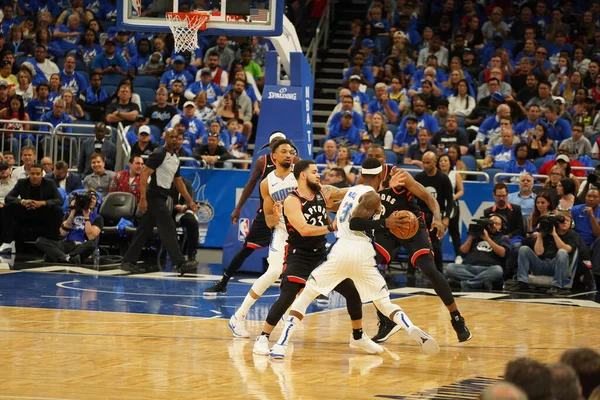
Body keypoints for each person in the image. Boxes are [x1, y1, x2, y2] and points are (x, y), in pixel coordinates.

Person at [269, 158, 440, 360]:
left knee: (307, 295)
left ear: (361, 175)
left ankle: (281, 343)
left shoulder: (352, 192)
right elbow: (355, 222)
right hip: (362, 253)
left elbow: (350, 207)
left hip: (340, 251)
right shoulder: (372, 196)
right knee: (384, 302)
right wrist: (387, 222)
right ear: (379, 177)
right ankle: (411, 327)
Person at [252, 160, 365, 355]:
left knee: (352, 292)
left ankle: (358, 337)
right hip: (299, 255)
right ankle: (263, 337)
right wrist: (331, 227)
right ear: (302, 175)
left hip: (321, 254)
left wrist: (368, 188)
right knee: (287, 297)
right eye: (314, 172)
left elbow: (346, 192)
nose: (318, 175)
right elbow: (303, 230)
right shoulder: (292, 200)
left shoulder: (323, 191)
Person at [204, 133, 289, 294]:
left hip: (288, 216)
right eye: (275, 144)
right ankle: (223, 282)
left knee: (303, 249)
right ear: (271, 147)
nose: (280, 148)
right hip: (267, 214)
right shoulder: (262, 162)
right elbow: (250, 185)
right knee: (247, 248)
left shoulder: (294, 164)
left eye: (282, 145)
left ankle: (315, 288)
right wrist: (238, 208)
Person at [120, 129, 198, 274]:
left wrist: (190, 201)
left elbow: (179, 182)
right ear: (165, 138)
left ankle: (128, 261)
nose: (174, 139)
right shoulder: (159, 153)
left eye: (177, 137)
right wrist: (143, 198)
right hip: (154, 195)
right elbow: (144, 173)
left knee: (144, 230)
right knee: (168, 227)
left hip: (162, 196)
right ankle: (180, 263)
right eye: (171, 137)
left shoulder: (175, 157)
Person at [509, 211, 579, 295]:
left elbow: (566, 249)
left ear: (571, 223)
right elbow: (539, 252)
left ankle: (557, 286)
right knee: (524, 249)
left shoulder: (572, 235)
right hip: (541, 264)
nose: (564, 222)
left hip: (557, 266)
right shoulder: (547, 232)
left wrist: (554, 234)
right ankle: (522, 283)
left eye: (567, 220)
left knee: (562, 252)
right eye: (562, 220)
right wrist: (540, 234)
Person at [35, 189, 102, 265]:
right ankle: (68, 258)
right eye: (88, 198)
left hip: (81, 246)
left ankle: (60, 256)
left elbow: (91, 236)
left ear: (96, 202)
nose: (91, 200)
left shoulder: (98, 218)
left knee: (91, 245)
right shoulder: (69, 214)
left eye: (93, 198)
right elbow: (63, 233)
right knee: (40, 240)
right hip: (66, 244)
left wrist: (86, 216)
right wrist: (72, 213)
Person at [446, 215, 510, 290]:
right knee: (450, 267)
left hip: (489, 268)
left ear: (502, 226)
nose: (494, 226)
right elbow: (462, 252)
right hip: (469, 267)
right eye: (491, 223)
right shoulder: (477, 235)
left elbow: (502, 253)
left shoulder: (503, 238)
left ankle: (463, 284)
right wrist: (471, 237)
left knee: (498, 270)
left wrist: (487, 239)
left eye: (497, 224)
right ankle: (480, 283)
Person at [4, 163, 63, 244]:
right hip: (26, 210)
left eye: (38, 174)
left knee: (57, 210)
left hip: (43, 212)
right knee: (8, 207)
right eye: (32, 173)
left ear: (42, 174)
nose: (35, 176)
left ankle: (53, 242)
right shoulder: (22, 182)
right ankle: (7, 242)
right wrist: (23, 201)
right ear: (28, 174)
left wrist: (42, 203)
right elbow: (8, 198)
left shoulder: (50, 183)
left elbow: (59, 201)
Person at [414, 152, 452, 273]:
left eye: (428, 162)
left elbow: (450, 200)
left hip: (436, 215)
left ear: (435, 163)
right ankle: (411, 272)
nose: (425, 165)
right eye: (423, 162)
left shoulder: (443, 178)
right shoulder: (419, 177)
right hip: (420, 215)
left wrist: (446, 218)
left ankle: (439, 272)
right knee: (415, 243)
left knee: (436, 245)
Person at [438, 154, 464, 262]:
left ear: (450, 163)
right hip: (438, 206)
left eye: (446, 161)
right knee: (436, 232)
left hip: (452, 206)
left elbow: (461, 191)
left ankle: (458, 255)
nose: (443, 163)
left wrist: (452, 197)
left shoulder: (455, 174)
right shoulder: (436, 175)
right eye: (441, 161)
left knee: (454, 231)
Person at [0, 161, 15, 254]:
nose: (3, 171)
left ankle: (6, 242)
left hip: (8, 208)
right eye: (0, 169)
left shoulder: (15, 185)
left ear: (10, 170)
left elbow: (17, 200)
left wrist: (3, 204)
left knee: (3, 210)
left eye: (5, 169)